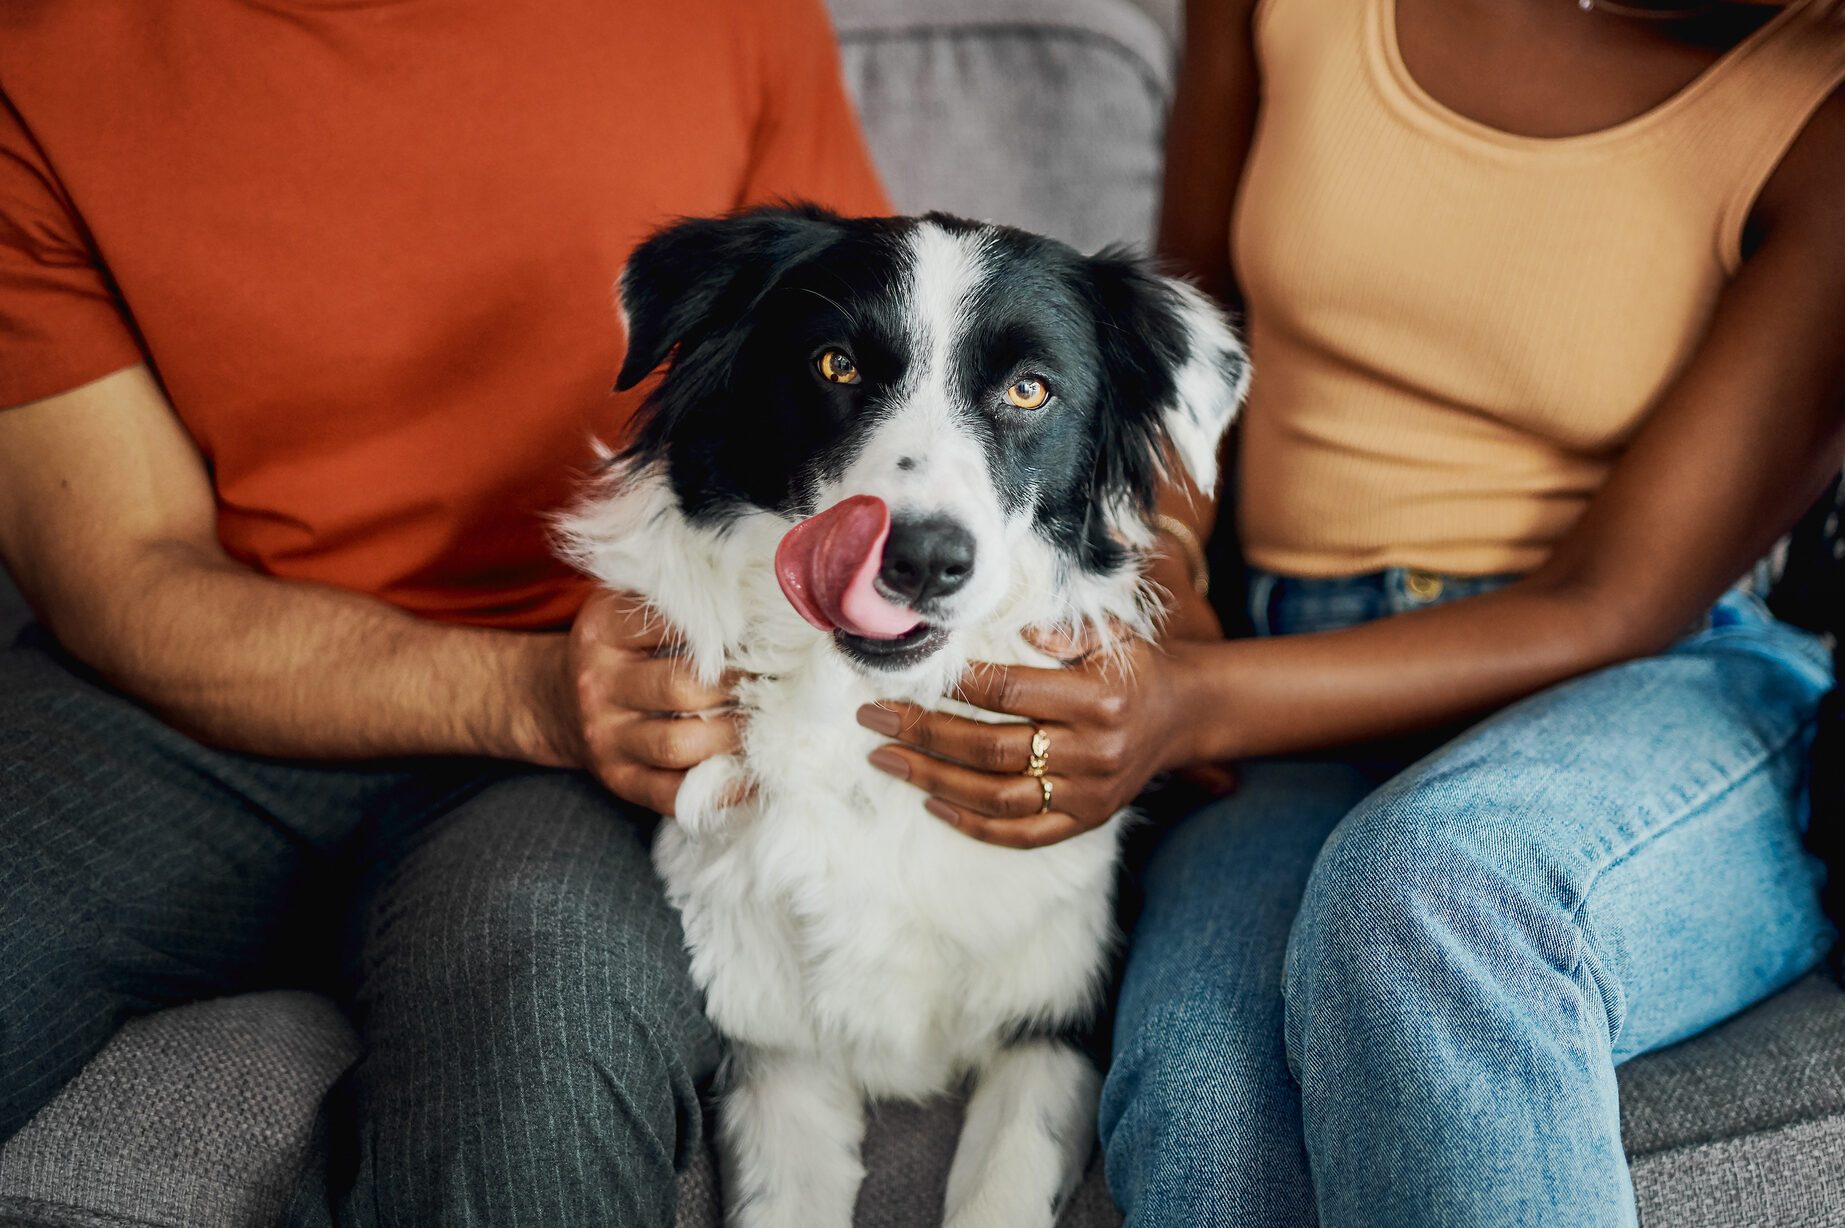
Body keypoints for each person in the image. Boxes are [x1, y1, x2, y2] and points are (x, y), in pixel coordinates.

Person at [853, 0, 1845, 1223]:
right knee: (1205, 1093)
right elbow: (1192, 336)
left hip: (1651, 690)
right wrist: (1168, 575)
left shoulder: (1823, 106)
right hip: (1292, 689)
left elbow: (1615, 599)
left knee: (1435, 898)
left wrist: (1190, 704)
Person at [0, 3, 886, 1224]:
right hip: (179, 701)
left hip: (604, 708)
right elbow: (124, 570)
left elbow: (890, 389)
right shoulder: (39, 55)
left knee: (543, 1027)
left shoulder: (731, 18)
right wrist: (523, 696)